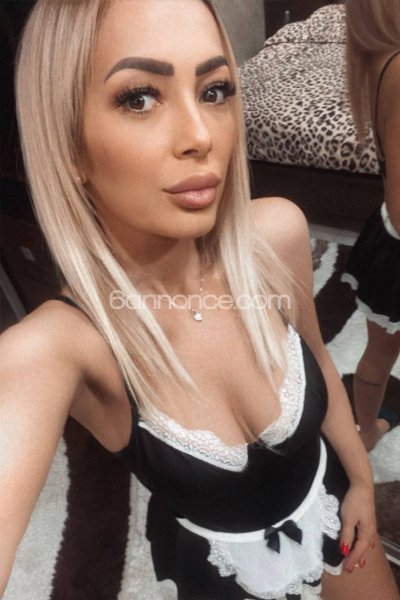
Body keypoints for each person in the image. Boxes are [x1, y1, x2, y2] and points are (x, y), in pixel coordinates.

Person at [0, 0, 398, 598]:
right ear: (68, 144)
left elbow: (317, 356)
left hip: (334, 511)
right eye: (139, 98)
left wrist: (362, 481)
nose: (200, 136)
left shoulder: (276, 235)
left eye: (214, 91)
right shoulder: (61, 347)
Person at [341, 0, 400, 452]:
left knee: (377, 356)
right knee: (378, 357)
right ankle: (365, 434)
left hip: (388, 241)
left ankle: (365, 433)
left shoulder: (382, 62)